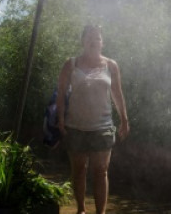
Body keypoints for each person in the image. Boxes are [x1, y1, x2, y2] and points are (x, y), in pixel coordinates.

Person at [56, 24, 130, 214]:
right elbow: (61, 93)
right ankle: (81, 209)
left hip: (103, 126)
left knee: (101, 171)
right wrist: (60, 119)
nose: (93, 41)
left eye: (97, 38)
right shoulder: (70, 64)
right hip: (75, 125)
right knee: (79, 170)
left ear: (102, 42)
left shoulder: (111, 65)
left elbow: (117, 94)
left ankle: (101, 212)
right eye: (89, 38)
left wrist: (124, 119)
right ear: (82, 41)